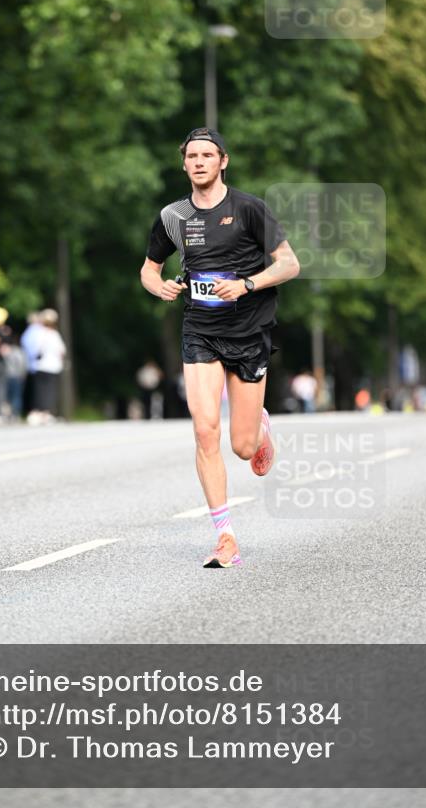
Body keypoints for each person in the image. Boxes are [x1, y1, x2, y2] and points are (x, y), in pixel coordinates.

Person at [140, 126, 299, 568]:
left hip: (249, 331)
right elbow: (149, 270)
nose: (199, 162)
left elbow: (289, 263)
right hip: (200, 329)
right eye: (192, 156)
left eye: (207, 155)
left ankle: (260, 428)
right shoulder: (173, 216)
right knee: (204, 429)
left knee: (243, 447)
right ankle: (225, 536)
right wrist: (161, 288)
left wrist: (247, 284)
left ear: (222, 161)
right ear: (184, 163)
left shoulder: (249, 209)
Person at [28, 308, 66, 424]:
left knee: (40, 390)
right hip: (52, 366)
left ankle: (38, 412)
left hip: (40, 365)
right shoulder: (54, 334)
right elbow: (62, 351)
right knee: (50, 391)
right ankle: (46, 413)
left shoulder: (38, 334)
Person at [0, 335, 28, 420]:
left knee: (8, 396)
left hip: (7, 376)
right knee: (16, 396)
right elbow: (23, 365)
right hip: (16, 376)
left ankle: (9, 414)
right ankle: (15, 414)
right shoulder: (19, 352)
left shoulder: (6, 351)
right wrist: (23, 375)